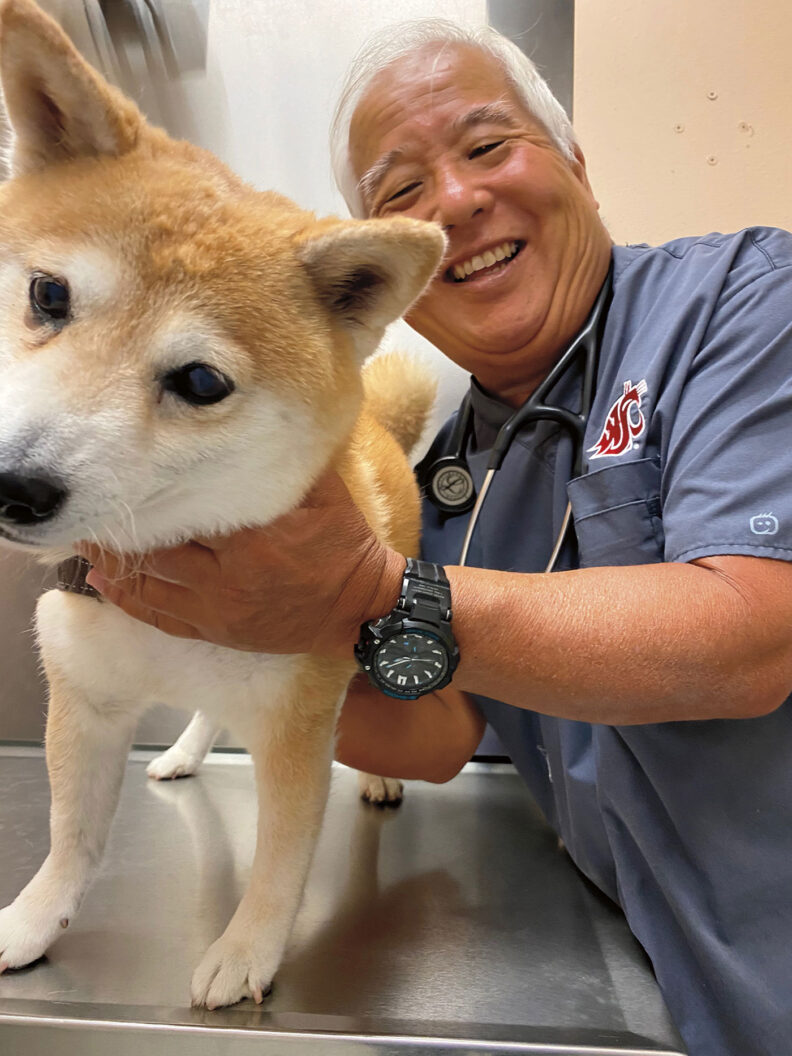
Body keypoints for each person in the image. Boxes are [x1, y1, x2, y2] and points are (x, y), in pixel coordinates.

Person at [80, 20, 792, 1056]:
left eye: (487, 146)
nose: (455, 202)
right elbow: (444, 735)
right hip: (662, 961)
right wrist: (236, 651)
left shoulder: (742, 303)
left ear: (578, 163)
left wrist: (367, 593)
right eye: (400, 190)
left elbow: (752, 636)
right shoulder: (450, 470)